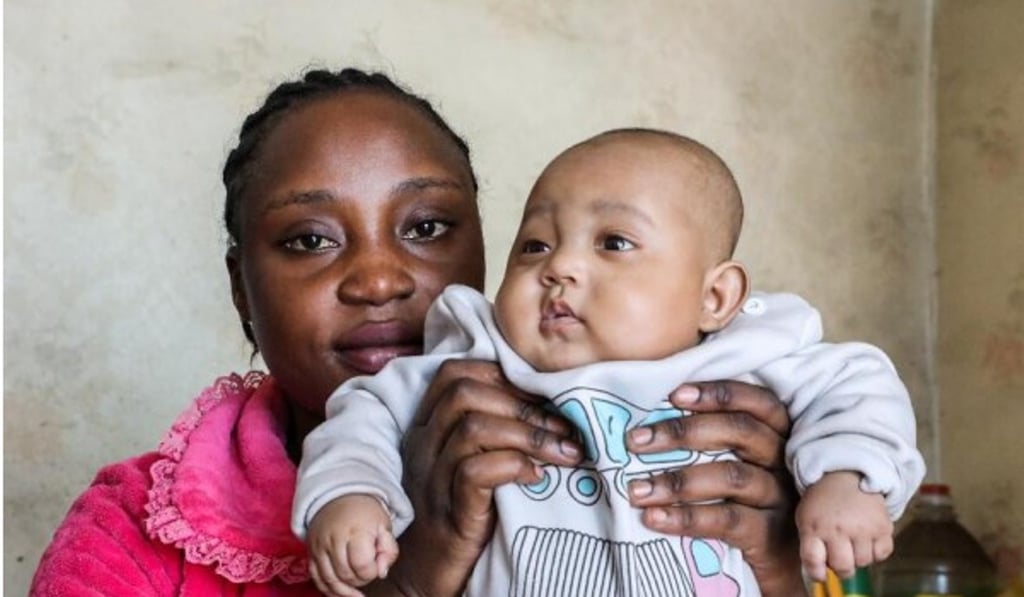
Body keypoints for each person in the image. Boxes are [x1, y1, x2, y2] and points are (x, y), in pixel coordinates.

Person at [29, 69, 807, 597]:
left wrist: (775, 569)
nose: (379, 280)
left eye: (428, 226)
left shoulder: (681, 435)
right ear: (242, 290)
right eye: (308, 239)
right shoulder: (133, 531)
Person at [295, 128, 926, 596]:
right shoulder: (478, 363)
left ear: (715, 297)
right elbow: (363, 413)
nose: (559, 268)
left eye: (614, 243)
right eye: (535, 245)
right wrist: (353, 495)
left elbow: (857, 384)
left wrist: (846, 478)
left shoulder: (747, 359)